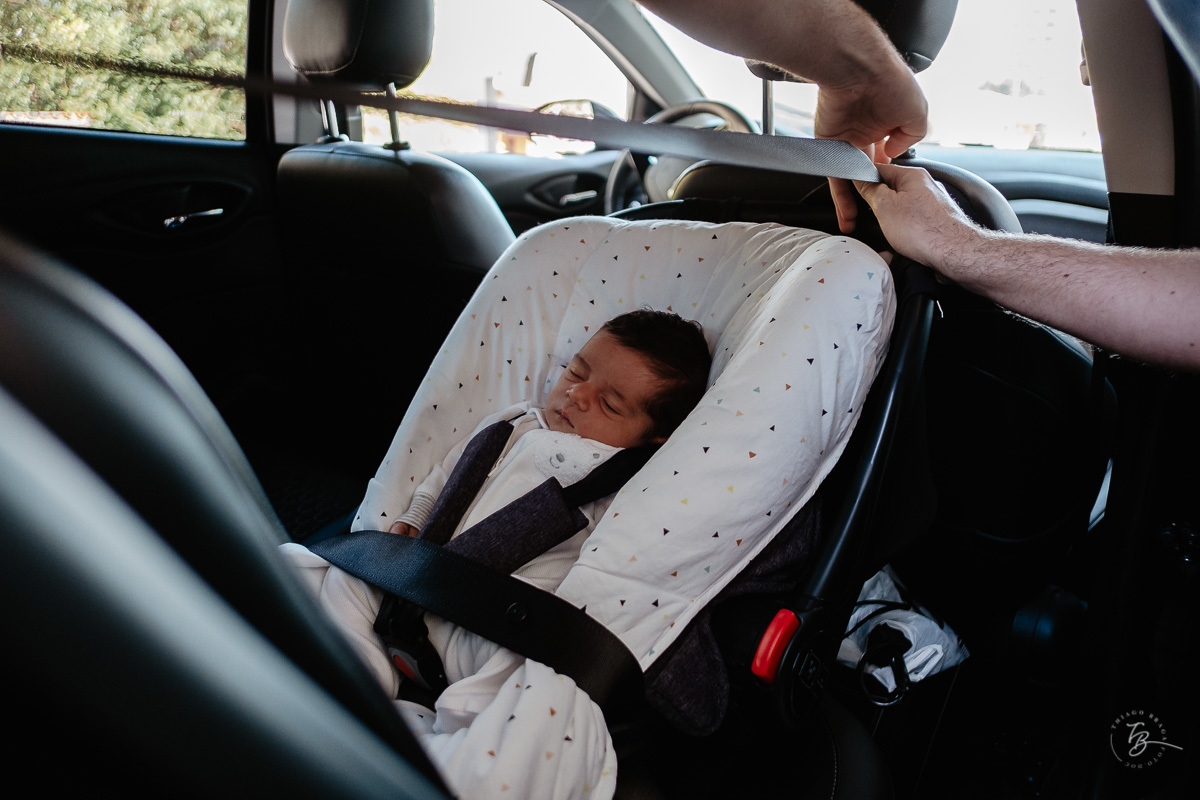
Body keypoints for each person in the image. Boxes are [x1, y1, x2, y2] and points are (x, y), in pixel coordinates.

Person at [282, 309, 711, 800]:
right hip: (415, 580)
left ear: (655, 438)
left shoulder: (629, 479)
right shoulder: (511, 423)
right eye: (576, 371)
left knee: (549, 703)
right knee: (314, 573)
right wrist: (418, 516)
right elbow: (448, 474)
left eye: (610, 405)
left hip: (506, 622)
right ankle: (352, 691)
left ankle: (449, 757)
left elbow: (628, 562)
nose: (576, 395)